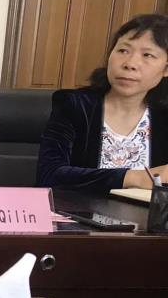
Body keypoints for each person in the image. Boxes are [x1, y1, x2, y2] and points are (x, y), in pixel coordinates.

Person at [36, 13, 168, 193]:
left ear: (166, 69)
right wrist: (134, 177)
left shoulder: (163, 116)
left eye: (148, 55)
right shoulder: (74, 105)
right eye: (123, 50)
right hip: (76, 210)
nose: (130, 63)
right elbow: (49, 175)